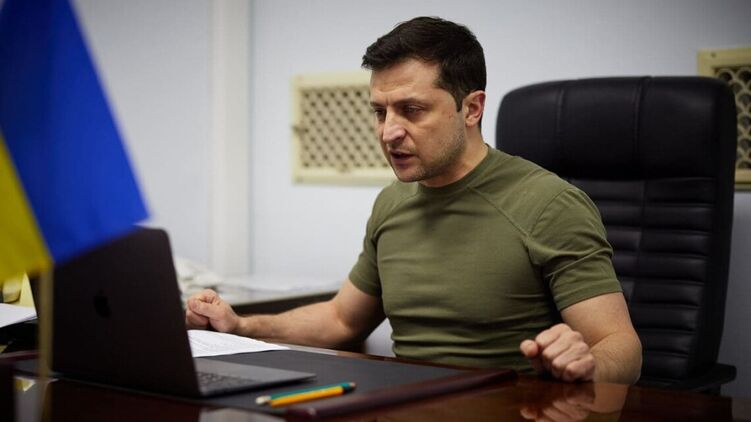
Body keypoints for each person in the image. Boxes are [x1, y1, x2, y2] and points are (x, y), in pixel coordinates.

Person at [186, 16, 642, 384]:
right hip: (404, 405)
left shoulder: (549, 204)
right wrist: (242, 327)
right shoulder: (392, 202)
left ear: (471, 108)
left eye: (411, 110)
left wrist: (587, 364)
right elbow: (342, 320)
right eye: (380, 112)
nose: (388, 132)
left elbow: (621, 346)